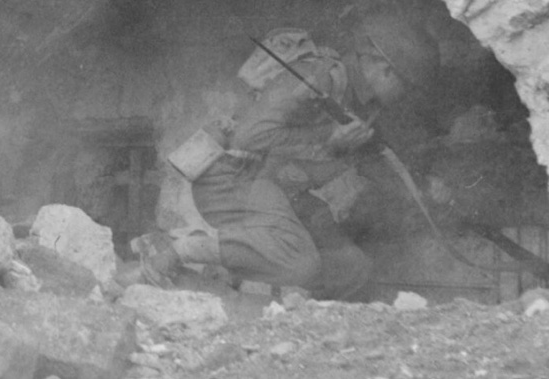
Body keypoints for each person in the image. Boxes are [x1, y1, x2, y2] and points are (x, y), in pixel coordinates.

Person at [134, 25, 435, 299]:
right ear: (386, 71)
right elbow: (249, 137)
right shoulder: (317, 75)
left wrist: (423, 192)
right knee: (300, 263)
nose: (404, 97)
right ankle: (176, 246)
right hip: (235, 179)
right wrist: (329, 140)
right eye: (406, 87)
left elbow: (368, 161)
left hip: (277, 190)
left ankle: (295, 320)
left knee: (349, 267)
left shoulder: (358, 102)